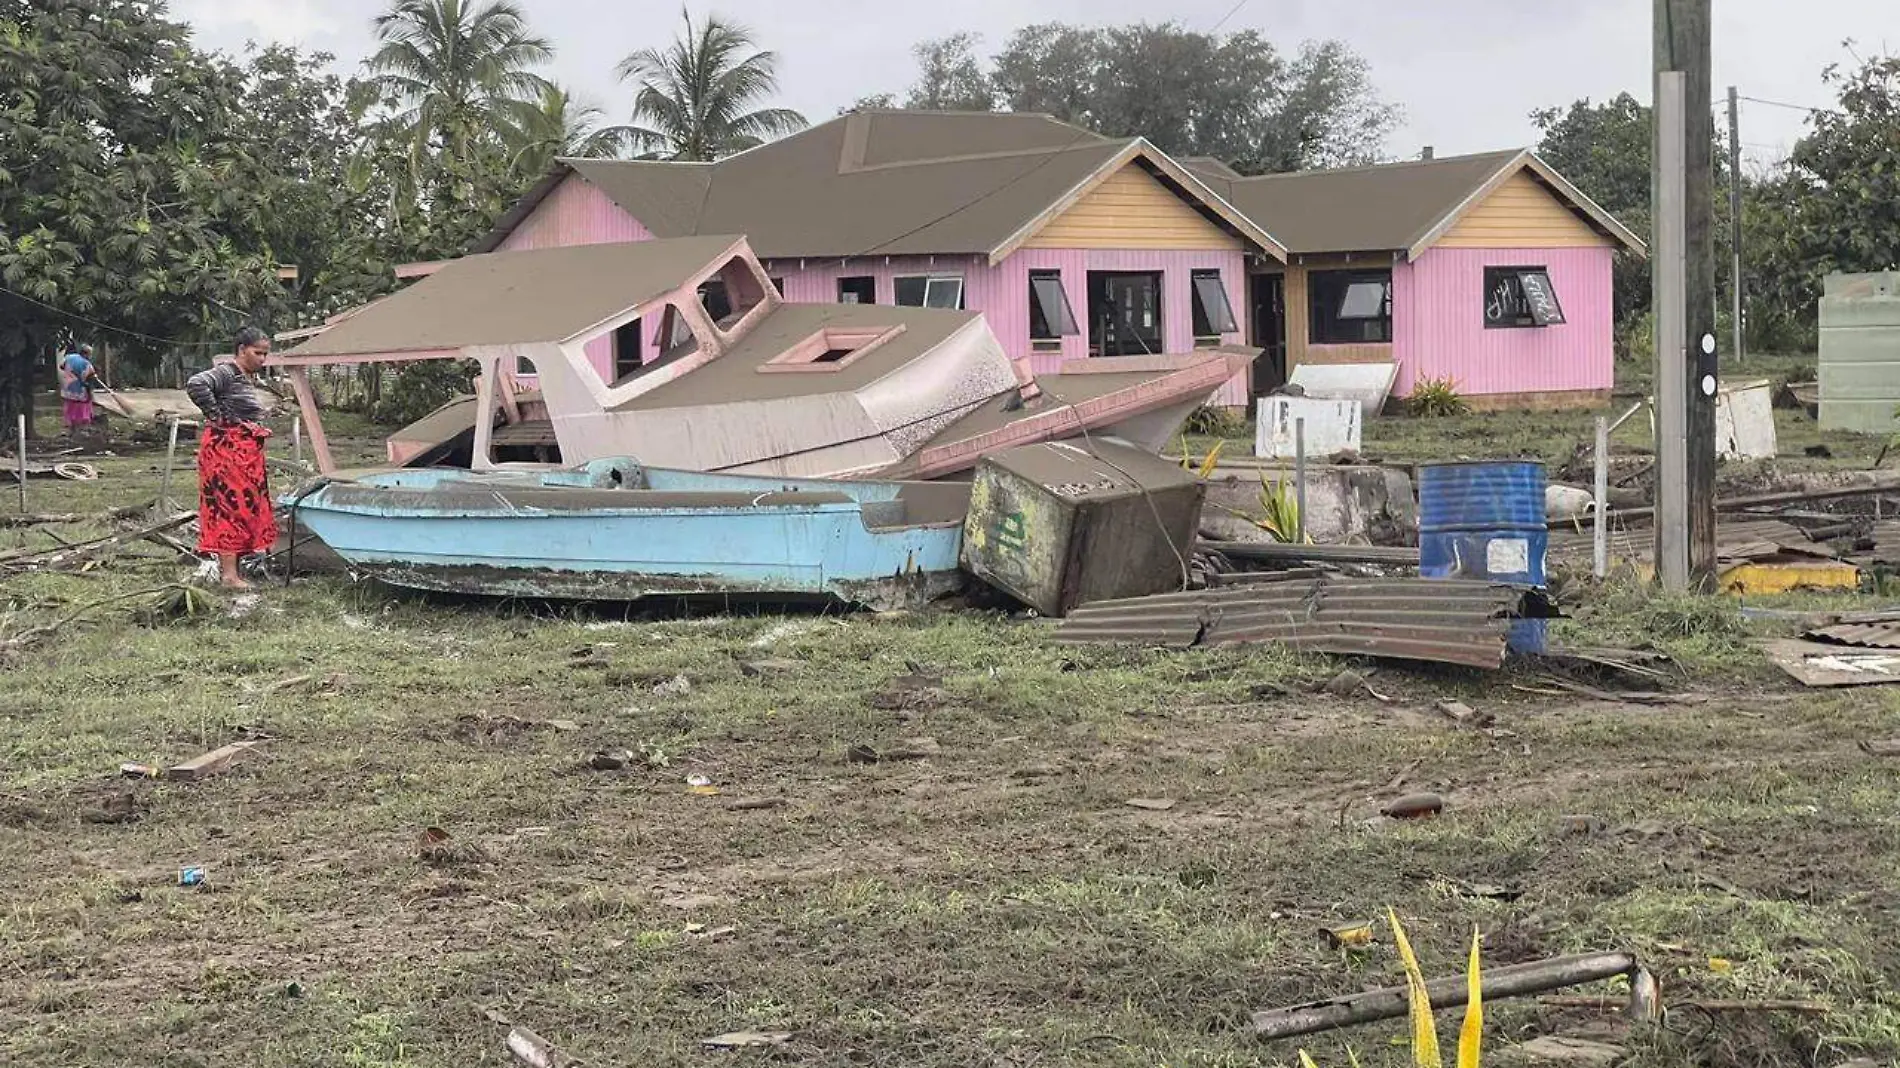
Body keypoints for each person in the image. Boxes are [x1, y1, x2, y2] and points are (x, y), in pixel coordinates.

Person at [185, 327, 276, 589]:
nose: (262, 359)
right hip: (227, 451)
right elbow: (196, 384)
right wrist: (217, 416)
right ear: (241, 350)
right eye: (257, 353)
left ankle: (237, 567)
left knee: (246, 507)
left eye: (265, 354)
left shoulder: (245, 378)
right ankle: (229, 576)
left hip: (244, 452)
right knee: (230, 507)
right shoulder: (227, 372)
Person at [58, 343, 99, 435]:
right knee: (82, 409)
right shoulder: (86, 364)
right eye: (90, 354)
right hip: (80, 392)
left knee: (71, 408)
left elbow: (61, 366)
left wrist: (70, 371)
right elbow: (90, 378)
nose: (90, 356)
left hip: (68, 389)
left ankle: (72, 429)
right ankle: (81, 429)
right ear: (86, 354)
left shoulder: (69, 357)